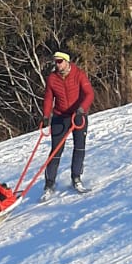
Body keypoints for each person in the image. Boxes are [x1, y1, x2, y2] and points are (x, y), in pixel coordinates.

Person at [40, 50, 95, 199]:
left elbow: (89, 93)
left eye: (60, 61)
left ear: (66, 62)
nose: (57, 65)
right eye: (55, 62)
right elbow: (48, 98)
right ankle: (49, 184)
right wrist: (46, 115)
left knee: (79, 147)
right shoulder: (52, 79)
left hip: (78, 115)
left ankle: (76, 178)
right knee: (55, 151)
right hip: (60, 116)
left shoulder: (79, 74)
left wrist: (82, 109)